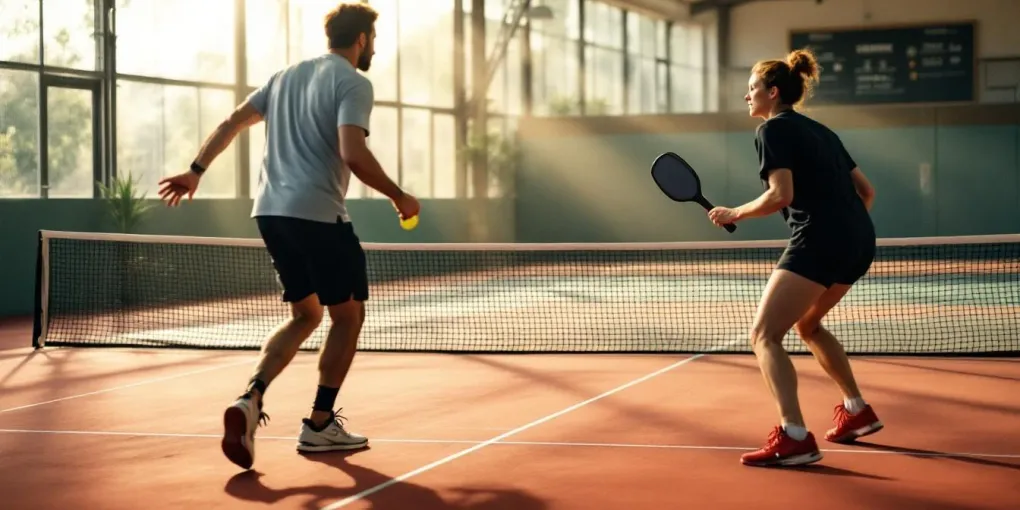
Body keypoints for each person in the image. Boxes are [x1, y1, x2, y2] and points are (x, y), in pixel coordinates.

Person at [157, 2, 419, 470]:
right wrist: (400, 197)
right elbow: (352, 152)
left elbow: (232, 121)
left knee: (306, 315)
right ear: (361, 39)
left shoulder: (283, 76)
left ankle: (250, 397)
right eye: (373, 40)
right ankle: (319, 425)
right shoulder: (354, 82)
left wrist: (196, 171)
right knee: (347, 318)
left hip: (271, 215)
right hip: (318, 216)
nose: (374, 47)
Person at [706, 48, 883, 467]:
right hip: (860, 240)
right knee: (809, 325)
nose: (746, 97)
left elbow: (780, 195)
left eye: (751, 89)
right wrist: (843, 228)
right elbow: (867, 193)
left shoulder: (772, 131)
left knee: (763, 336)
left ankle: (795, 436)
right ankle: (857, 411)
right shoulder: (822, 131)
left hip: (820, 240)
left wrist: (735, 213)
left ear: (772, 92)